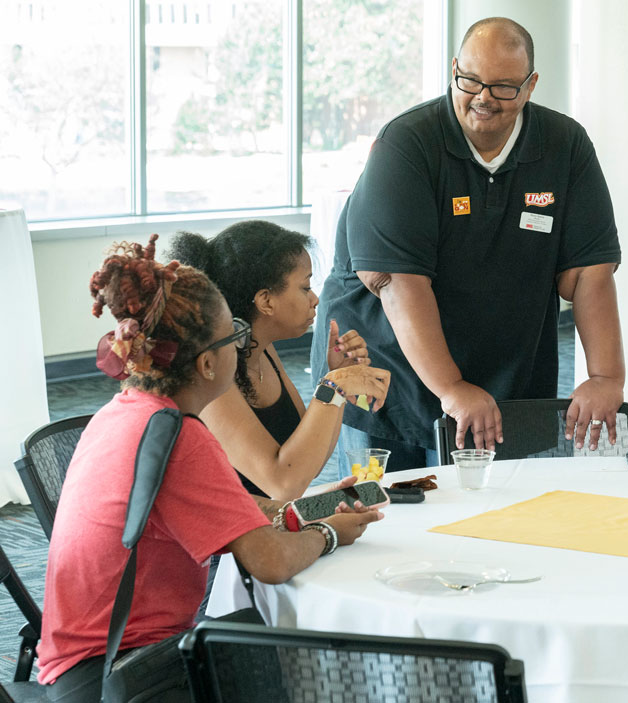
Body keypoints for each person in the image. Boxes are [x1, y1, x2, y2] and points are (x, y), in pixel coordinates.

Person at [37, 236, 383, 699]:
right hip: (123, 674)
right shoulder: (181, 435)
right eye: (234, 338)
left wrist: (319, 506)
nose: (242, 347)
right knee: (322, 672)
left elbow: (236, 507)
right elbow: (271, 562)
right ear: (205, 363)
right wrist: (331, 533)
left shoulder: (128, 411)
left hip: (82, 664)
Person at [312, 16, 624, 475]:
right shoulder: (408, 144)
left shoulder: (564, 146)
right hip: (387, 363)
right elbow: (399, 284)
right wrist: (452, 387)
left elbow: (588, 272)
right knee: (386, 516)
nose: (482, 98)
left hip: (503, 362)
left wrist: (605, 377)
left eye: (502, 87)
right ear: (454, 68)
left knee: (497, 514)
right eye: (470, 80)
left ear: (530, 85)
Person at [170, 222, 391, 501]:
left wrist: (339, 380)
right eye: (305, 287)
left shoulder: (262, 350)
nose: (315, 299)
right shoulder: (209, 374)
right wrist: (331, 387)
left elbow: (305, 467)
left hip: (265, 527)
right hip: (221, 542)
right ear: (266, 301)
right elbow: (284, 483)